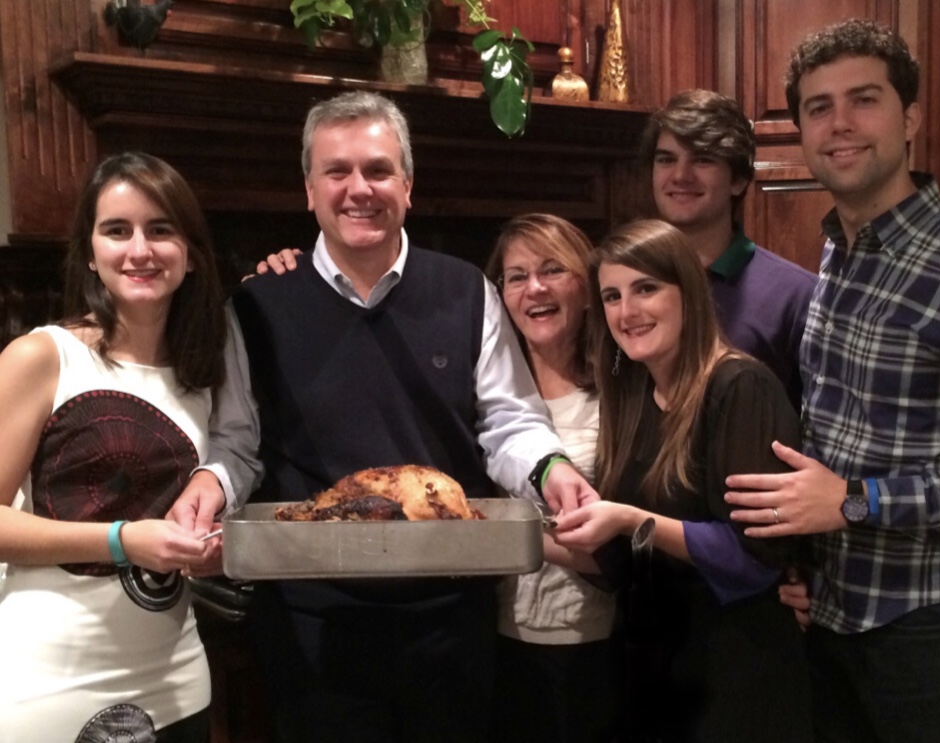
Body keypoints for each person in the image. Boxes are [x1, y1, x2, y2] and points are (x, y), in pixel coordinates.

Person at [170, 90, 599, 743]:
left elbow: (507, 421)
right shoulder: (257, 303)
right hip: (312, 621)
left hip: (450, 613)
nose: (357, 188)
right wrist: (209, 483)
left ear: (407, 184)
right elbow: (238, 443)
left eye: (376, 169)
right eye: (336, 171)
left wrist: (551, 467)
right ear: (308, 188)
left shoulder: (465, 290)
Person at [724, 18, 940, 743]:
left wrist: (854, 501)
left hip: (935, 633)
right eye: (817, 107)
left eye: (863, 100)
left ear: (908, 117)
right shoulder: (837, 254)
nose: (838, 124)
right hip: (831, 614)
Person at [553, 219, 813, 742]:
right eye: (611, 296)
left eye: (646, 288)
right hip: (656, 667)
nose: (627, 312)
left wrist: (628, 519)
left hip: (738, 673)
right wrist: (524, 542)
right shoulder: (631, 397)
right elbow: (627, 562)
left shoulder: (740, 387)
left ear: (688, 292)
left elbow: (753, 560)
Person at [0, 152, 227, 742]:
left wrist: (209, 551)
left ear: (192, 254)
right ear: (92, 253)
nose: (139, 250)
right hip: (49, 684)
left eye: (160, 230)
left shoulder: (203, 378)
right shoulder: (43, 356)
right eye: (117, 230)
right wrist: (122, 540)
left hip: (176, 678)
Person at [482, 214, 620, 743]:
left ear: (587, 288)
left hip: (599, 644)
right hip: (496, 638)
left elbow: (630, 544)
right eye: (516, 276)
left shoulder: (622, 392)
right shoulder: (486, 395)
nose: (533, 288)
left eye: (551, 270)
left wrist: (508, 536)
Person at [642, 89, 816, 409]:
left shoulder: (797, 296)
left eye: (703, 159)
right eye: (666, 159)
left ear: (738, 180)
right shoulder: (627, 283)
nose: (680, 176)